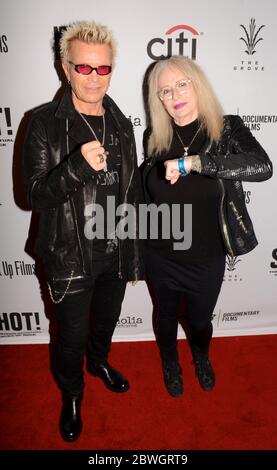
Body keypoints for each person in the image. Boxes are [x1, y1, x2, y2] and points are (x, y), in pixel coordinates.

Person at [23, 21, 144, 441]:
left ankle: (100, 362)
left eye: (102, 68)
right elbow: (34, 195)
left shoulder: (122, 122)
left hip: (115, 249)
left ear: (112, 70)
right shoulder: (43, 123)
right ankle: (72, 393)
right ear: (65, 68)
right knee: (70, 335)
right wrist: (75, 166)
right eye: (84, 68)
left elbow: (129, 188)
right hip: (69, 254)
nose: (94, 78)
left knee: (105, 322)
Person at [141, 55, 272, 398]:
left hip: (206, 257)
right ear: (159, 100)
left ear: (198, 84)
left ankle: (200, 354)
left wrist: (195, 162)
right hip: (161, 255)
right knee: (165, 317)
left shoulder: (226, 129)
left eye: (182, 84)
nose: (174, 95)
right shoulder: (154, 138)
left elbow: (262, 166)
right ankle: (170, 361)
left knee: (200, 321)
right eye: (165, 90)